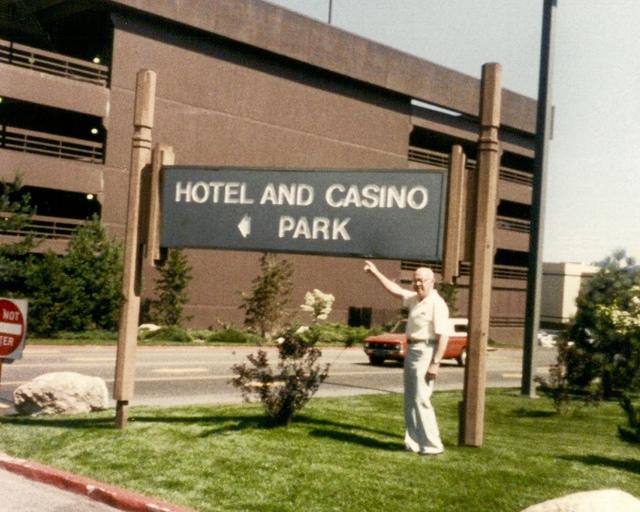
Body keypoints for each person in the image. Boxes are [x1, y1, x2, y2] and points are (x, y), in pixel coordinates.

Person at [364, 260, 450, 455]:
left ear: (432, 281)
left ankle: (432, 445)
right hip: (412, 350)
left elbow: (444, 335)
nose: (417, 284)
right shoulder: (414, 298)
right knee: (410, 399)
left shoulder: (437, 304)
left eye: (421, 281)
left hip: (426, 352)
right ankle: (413, 442)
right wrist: (376, 273)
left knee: (422, 398)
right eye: (415, 280)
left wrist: (435, 364)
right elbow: (395, 290)